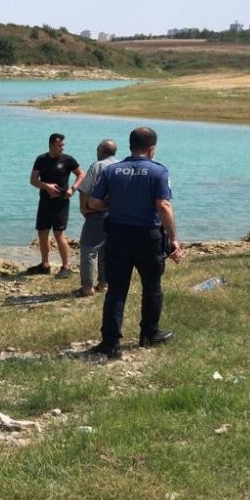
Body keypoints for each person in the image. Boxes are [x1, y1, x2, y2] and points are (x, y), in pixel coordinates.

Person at [87, 127, 183, 359]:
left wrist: (115, 203)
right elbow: (163, 205)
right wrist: (174, 239)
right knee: (151, 287)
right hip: (147, 236)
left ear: (130, 146)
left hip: (117, 235)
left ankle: (111, 342)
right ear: (152, 149)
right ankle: (149, 334)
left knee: (116, 290)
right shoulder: (158, 171)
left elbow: (94, 203)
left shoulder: (111, 171)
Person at [27, 133, 85, 278]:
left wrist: (73, 189)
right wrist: (46, 186)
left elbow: (81, 175)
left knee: (59, 234)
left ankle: (65, 267)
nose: (62, 148)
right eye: (60, 145)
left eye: (63, 145)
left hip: (61, 202)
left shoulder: (67, 160)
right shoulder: (41, 159)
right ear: (52, 145)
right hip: (45, 201)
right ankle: (44, 265)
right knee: (42, 233)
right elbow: (33, 180)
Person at [75, 139, 118, 296]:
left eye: (97, 150)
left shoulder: (98, 166)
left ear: (101, 151)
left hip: (97, 213)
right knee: (107, 249)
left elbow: (85, 189)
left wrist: (83, 209)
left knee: (89, 248)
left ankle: (87, 287)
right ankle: (104, 283)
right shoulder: (120, 166)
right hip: (116, 215)